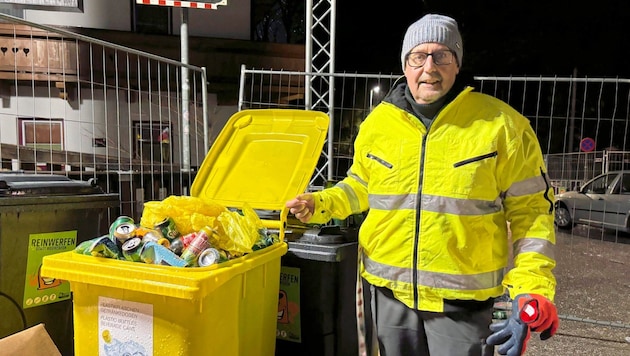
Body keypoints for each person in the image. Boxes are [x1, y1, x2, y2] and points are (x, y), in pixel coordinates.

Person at [286, 13, 559, 356]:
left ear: (456, 64)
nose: (429, 67)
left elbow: (532, 214)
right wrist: (321, 203)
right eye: (419, 56)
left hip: (462, 308)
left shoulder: (502, 126)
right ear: (405, 65)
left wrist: (532, 288)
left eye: (441, 55)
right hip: (388, 298)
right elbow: (362, 184)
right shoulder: (379, 123)